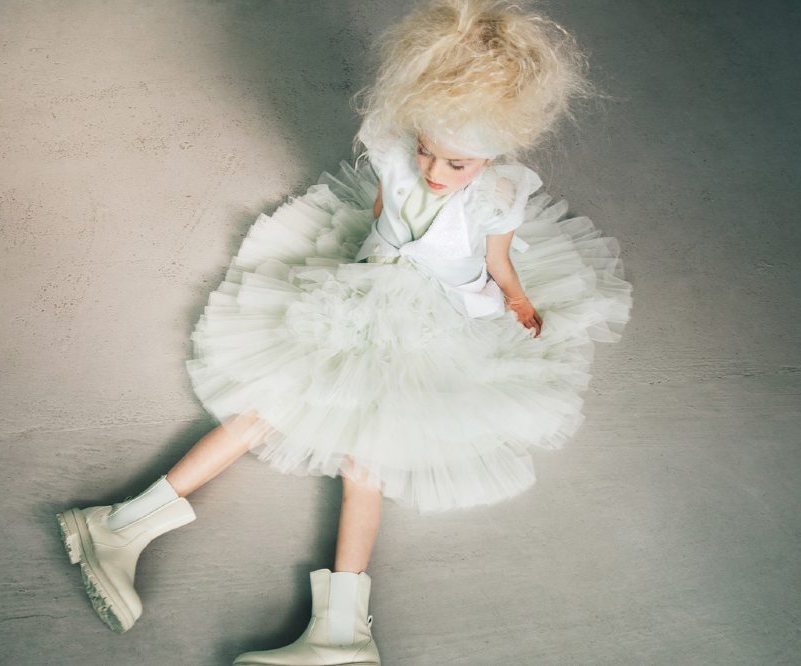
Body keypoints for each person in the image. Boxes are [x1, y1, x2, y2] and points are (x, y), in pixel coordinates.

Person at [55, 0, 632, 663]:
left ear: (490, 158)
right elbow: (382, 216)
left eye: (457, 165)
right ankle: (122, 526)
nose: (435, 173)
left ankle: (337, 632)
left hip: (430, 322)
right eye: (428, 152)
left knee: (367, 462)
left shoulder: (498, 196)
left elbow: (496, 261)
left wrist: (520, 303)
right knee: (271, 408)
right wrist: (365, 267)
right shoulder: (394, 160)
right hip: (357, 300)